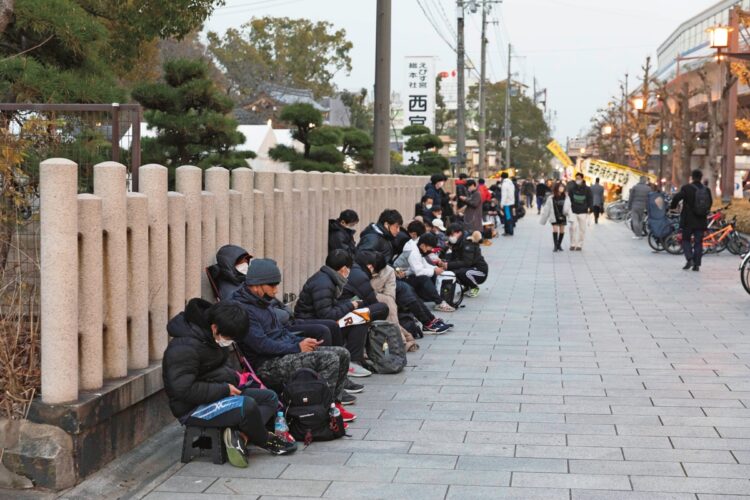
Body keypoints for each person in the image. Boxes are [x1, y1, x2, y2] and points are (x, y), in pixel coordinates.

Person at [162, 299, 296, 468]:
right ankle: (265, 441)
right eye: (229, 338)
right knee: (247, 405)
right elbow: (183, 390)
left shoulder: (209, 338)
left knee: (269, 398)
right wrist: (224, 389)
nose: (229, 342)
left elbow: (215, 370)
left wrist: (233, 380)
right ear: (215, 328)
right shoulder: (184, 348)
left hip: (217, 393)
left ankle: (240, 437)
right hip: (192, 408)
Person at [231, 259, 357, 420]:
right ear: (256, 285)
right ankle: (322, 410)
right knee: (330, 359)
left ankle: (334, 404)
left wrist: (303, 341)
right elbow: (261, 345)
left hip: (282, 353)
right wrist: (297, 347)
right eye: (272, 286)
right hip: (266, 364)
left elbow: (281, 332)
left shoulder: (263, 302)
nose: (276, 290)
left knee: (342, 353)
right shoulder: (244, 309)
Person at [295, 250, 389, 378]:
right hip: (313, 322)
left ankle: (355, 359)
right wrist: (350, 305)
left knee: (362, 317)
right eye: (349, 269)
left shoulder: (327, 278)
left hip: (318, 319)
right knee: (365, 315)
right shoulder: (324, 283)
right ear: (344, 269)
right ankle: (351, 362)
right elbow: (327, 315)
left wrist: (351, 305)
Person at [358, 209, 451, 334]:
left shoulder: (382, 237)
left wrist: (394, 269)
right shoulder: (373, 238)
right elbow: (362, 260)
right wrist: (383, 269)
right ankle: (428, 322)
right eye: (396, 227)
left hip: (383, 276)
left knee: (408, 289)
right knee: (405, 289)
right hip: (371, 281)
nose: (398, 231)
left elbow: (385, 261)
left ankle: (430, 320)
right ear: (386, 224)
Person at [393, 221, 456, 313]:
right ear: (423, 245)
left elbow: (423, 264)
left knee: (430, 273)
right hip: (399, 277)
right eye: (429, 249)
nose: (429, 251)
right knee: (423, 278)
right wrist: (434, 271)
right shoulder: (413, 251)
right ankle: (440, 302)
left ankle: (435, 298)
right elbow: (418, 271)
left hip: (408, 273)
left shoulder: (418, 247)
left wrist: (434, 268)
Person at [670, 169, 712, 272]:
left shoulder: (686, 188)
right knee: (698, 242)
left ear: (692, 177)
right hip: (701, 220)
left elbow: (677, 198)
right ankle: (696, 264)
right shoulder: (706, 190)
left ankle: (689, 259)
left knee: (686, 240)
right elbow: (710, 203)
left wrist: (672, 206)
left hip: (688, 220)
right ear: (701, 177)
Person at [441, 224, 488, 297]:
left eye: (451, 235)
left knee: (461, 272)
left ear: (459, 232)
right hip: (470, 268)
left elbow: (467, 262)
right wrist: (444, 262)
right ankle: (467, 286)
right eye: (449, 235)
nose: (450, 237)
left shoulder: (468, 242)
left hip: (480, 271)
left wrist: (448, 265)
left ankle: (474, 287)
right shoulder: (457, 242)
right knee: (451, 272)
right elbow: (454, 258)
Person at [540, 181, 572, 252]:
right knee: (555, 230)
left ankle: (559, 244)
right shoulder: (551, 197)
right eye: (560, 187)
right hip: (554, 215)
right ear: (557, 188)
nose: (562, 188)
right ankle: (555, 246)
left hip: (563, 215)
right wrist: (543, 219)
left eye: (563, 187)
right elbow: (547, 208)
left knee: (562, 231)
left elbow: (569, 207)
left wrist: (570, 216)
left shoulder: (566, 197)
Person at [568, 172, 593, 251]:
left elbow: (590, 199)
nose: (577, 180)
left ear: (582, 179)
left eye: (579, 178)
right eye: (576, 178)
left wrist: (590, 208)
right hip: (574, 211)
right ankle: (572, 244)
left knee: (582, 229)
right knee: (572, 228)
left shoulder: (587, 189)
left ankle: (579, 245)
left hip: (583, 211)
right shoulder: (572, 188)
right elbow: (570, 199)